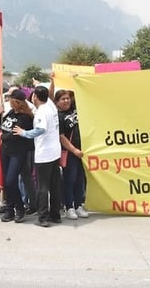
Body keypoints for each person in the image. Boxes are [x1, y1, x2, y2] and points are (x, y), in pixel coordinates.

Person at [13, 85, 62, 227]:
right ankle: (55, 215)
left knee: (42, 187)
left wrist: (24, 133)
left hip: (44, 154)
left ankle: (43, 218)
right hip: (55, 151)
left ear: (35, 97)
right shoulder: (51, 106)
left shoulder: (41, 112)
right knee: (55, 185)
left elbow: (40, 129)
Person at [0, 89, 34, 223]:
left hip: (17, 152)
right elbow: (0, 127)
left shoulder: (25, 117)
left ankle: (19, 207)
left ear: (15, 101)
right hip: (5, 151)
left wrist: (3, 136)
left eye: (10, 99)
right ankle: (10, 209)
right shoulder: (11, 113)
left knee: (11, 180)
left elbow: (15, 135)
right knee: (6, 183)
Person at [54, 88, 89, 220]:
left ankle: (78, 205)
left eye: (67, 98)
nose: (66, 101)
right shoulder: (58, 116)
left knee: (80, 180)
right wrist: (74, 150)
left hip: (83, 151)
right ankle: (69, 207)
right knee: (70, 180)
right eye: (63, 99)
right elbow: (61, 137)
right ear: (57, 102)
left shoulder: (74, 108)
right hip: (70, 153)